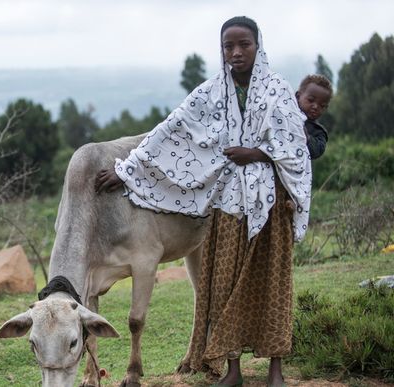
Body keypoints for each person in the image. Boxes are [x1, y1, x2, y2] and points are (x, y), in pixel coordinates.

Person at [95, 16, 311, 387]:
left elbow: (296, 147)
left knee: (273, 283)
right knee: (222, 285)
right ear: (221, 49)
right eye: (229, 46)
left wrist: (257, 153)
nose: (236, 52)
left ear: (259, 46)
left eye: (244, 44)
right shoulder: (211, 93)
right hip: (226, 205)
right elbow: (171, 130)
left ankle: (276, 369)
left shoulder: (278, 90)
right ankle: (233, 370)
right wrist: (128, 170)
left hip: (269, 204)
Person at [296, 74, 333, 160]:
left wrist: (306, 137)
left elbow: (317, 151)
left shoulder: (319, 131)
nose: (315, 107)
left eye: (322, 105)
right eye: (311, 100)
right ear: (298, 97)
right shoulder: (284, 112)